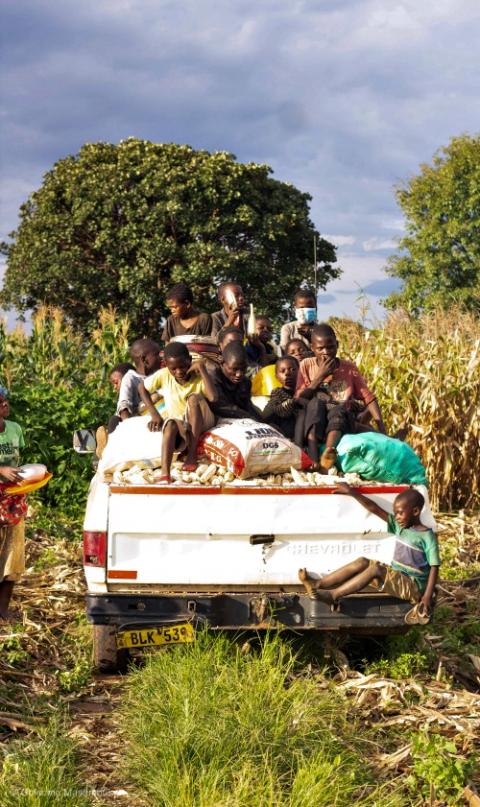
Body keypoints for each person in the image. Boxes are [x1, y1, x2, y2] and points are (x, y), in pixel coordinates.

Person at [299, 486, 440, 620]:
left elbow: (434, 567)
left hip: (413, 586)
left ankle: (334, 595)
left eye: (400, 513)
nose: (396, 517)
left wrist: (427, 596)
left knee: (375, 569)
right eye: (395, 513)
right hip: (398, 575)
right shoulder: (400, 527)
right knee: (362, 562)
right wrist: (351, 491)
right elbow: (374, 508)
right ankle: (318, 584)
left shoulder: (427, 537)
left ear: (415, 511)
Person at [295, 323, 386, 469]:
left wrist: (382, 427)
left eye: (330, 347)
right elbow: (300, 398)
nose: (326, 352)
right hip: (316, 419)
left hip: (341, 421)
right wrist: (320, 376)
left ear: (337, 345)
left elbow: (368, 397)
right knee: (315, 405)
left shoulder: (348, 368)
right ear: (312, 348)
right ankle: (313, 459)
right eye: (320, 349)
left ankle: (328, 453)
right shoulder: (306, 365)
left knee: (339, 409)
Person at [138, 342, 216, 482]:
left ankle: (192, 454)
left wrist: (201, 369)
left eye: (183, 366)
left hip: (203, 420)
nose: (179, 372)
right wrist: (154, 414)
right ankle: (165, 474)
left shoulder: (198, 377)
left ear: (190, 361)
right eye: (173, 368)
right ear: (166, 365)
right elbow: (141, 388)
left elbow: (213, 397)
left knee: (193, 399)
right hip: (182, 422)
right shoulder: (164, 375)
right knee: (169, 425)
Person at [0, 387, 27, 621]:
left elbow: (20, 461)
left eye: (5, 401)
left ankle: (3, 611)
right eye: (0, 403)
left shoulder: (15, 429)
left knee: (12, 555)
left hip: (14, 499)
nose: (5, 406)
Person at [208, 342, 263, 421]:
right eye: (234, 369)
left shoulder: (245, 383)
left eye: (243, 369)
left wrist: (263, 422)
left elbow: (248, 407)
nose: (239, 374)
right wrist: (248, 416)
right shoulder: (212, 378)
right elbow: (220, 406)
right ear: (222, 363)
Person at [263, 356, 302, 440]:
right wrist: (295, 401)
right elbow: (279, 412)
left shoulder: (307, 391)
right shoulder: (277, 393)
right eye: (282, 371)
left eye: (292, 369)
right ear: (277, 376)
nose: (287, 373)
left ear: (300, 372)